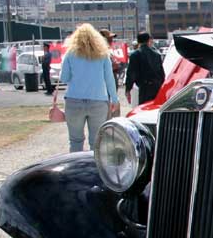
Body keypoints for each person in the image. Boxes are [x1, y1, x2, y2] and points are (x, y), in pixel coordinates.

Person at [60, 23, 118, 152]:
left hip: (74, 101)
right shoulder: (103, 55)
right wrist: (114, 99)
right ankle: (94, 169)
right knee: (96, 141)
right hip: (98, 101)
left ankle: (77, 169)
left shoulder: (70, 54)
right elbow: (109, 79)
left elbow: (64, 78)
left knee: (75, 141)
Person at [125, 31, 166, 105]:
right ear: (148, 40)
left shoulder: (135, 55)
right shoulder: (157, 55)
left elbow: (131, 74)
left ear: (138, 41)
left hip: (144, 88)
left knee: (144, 109)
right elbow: (162, 74)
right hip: (156, 87)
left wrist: (128, 89)